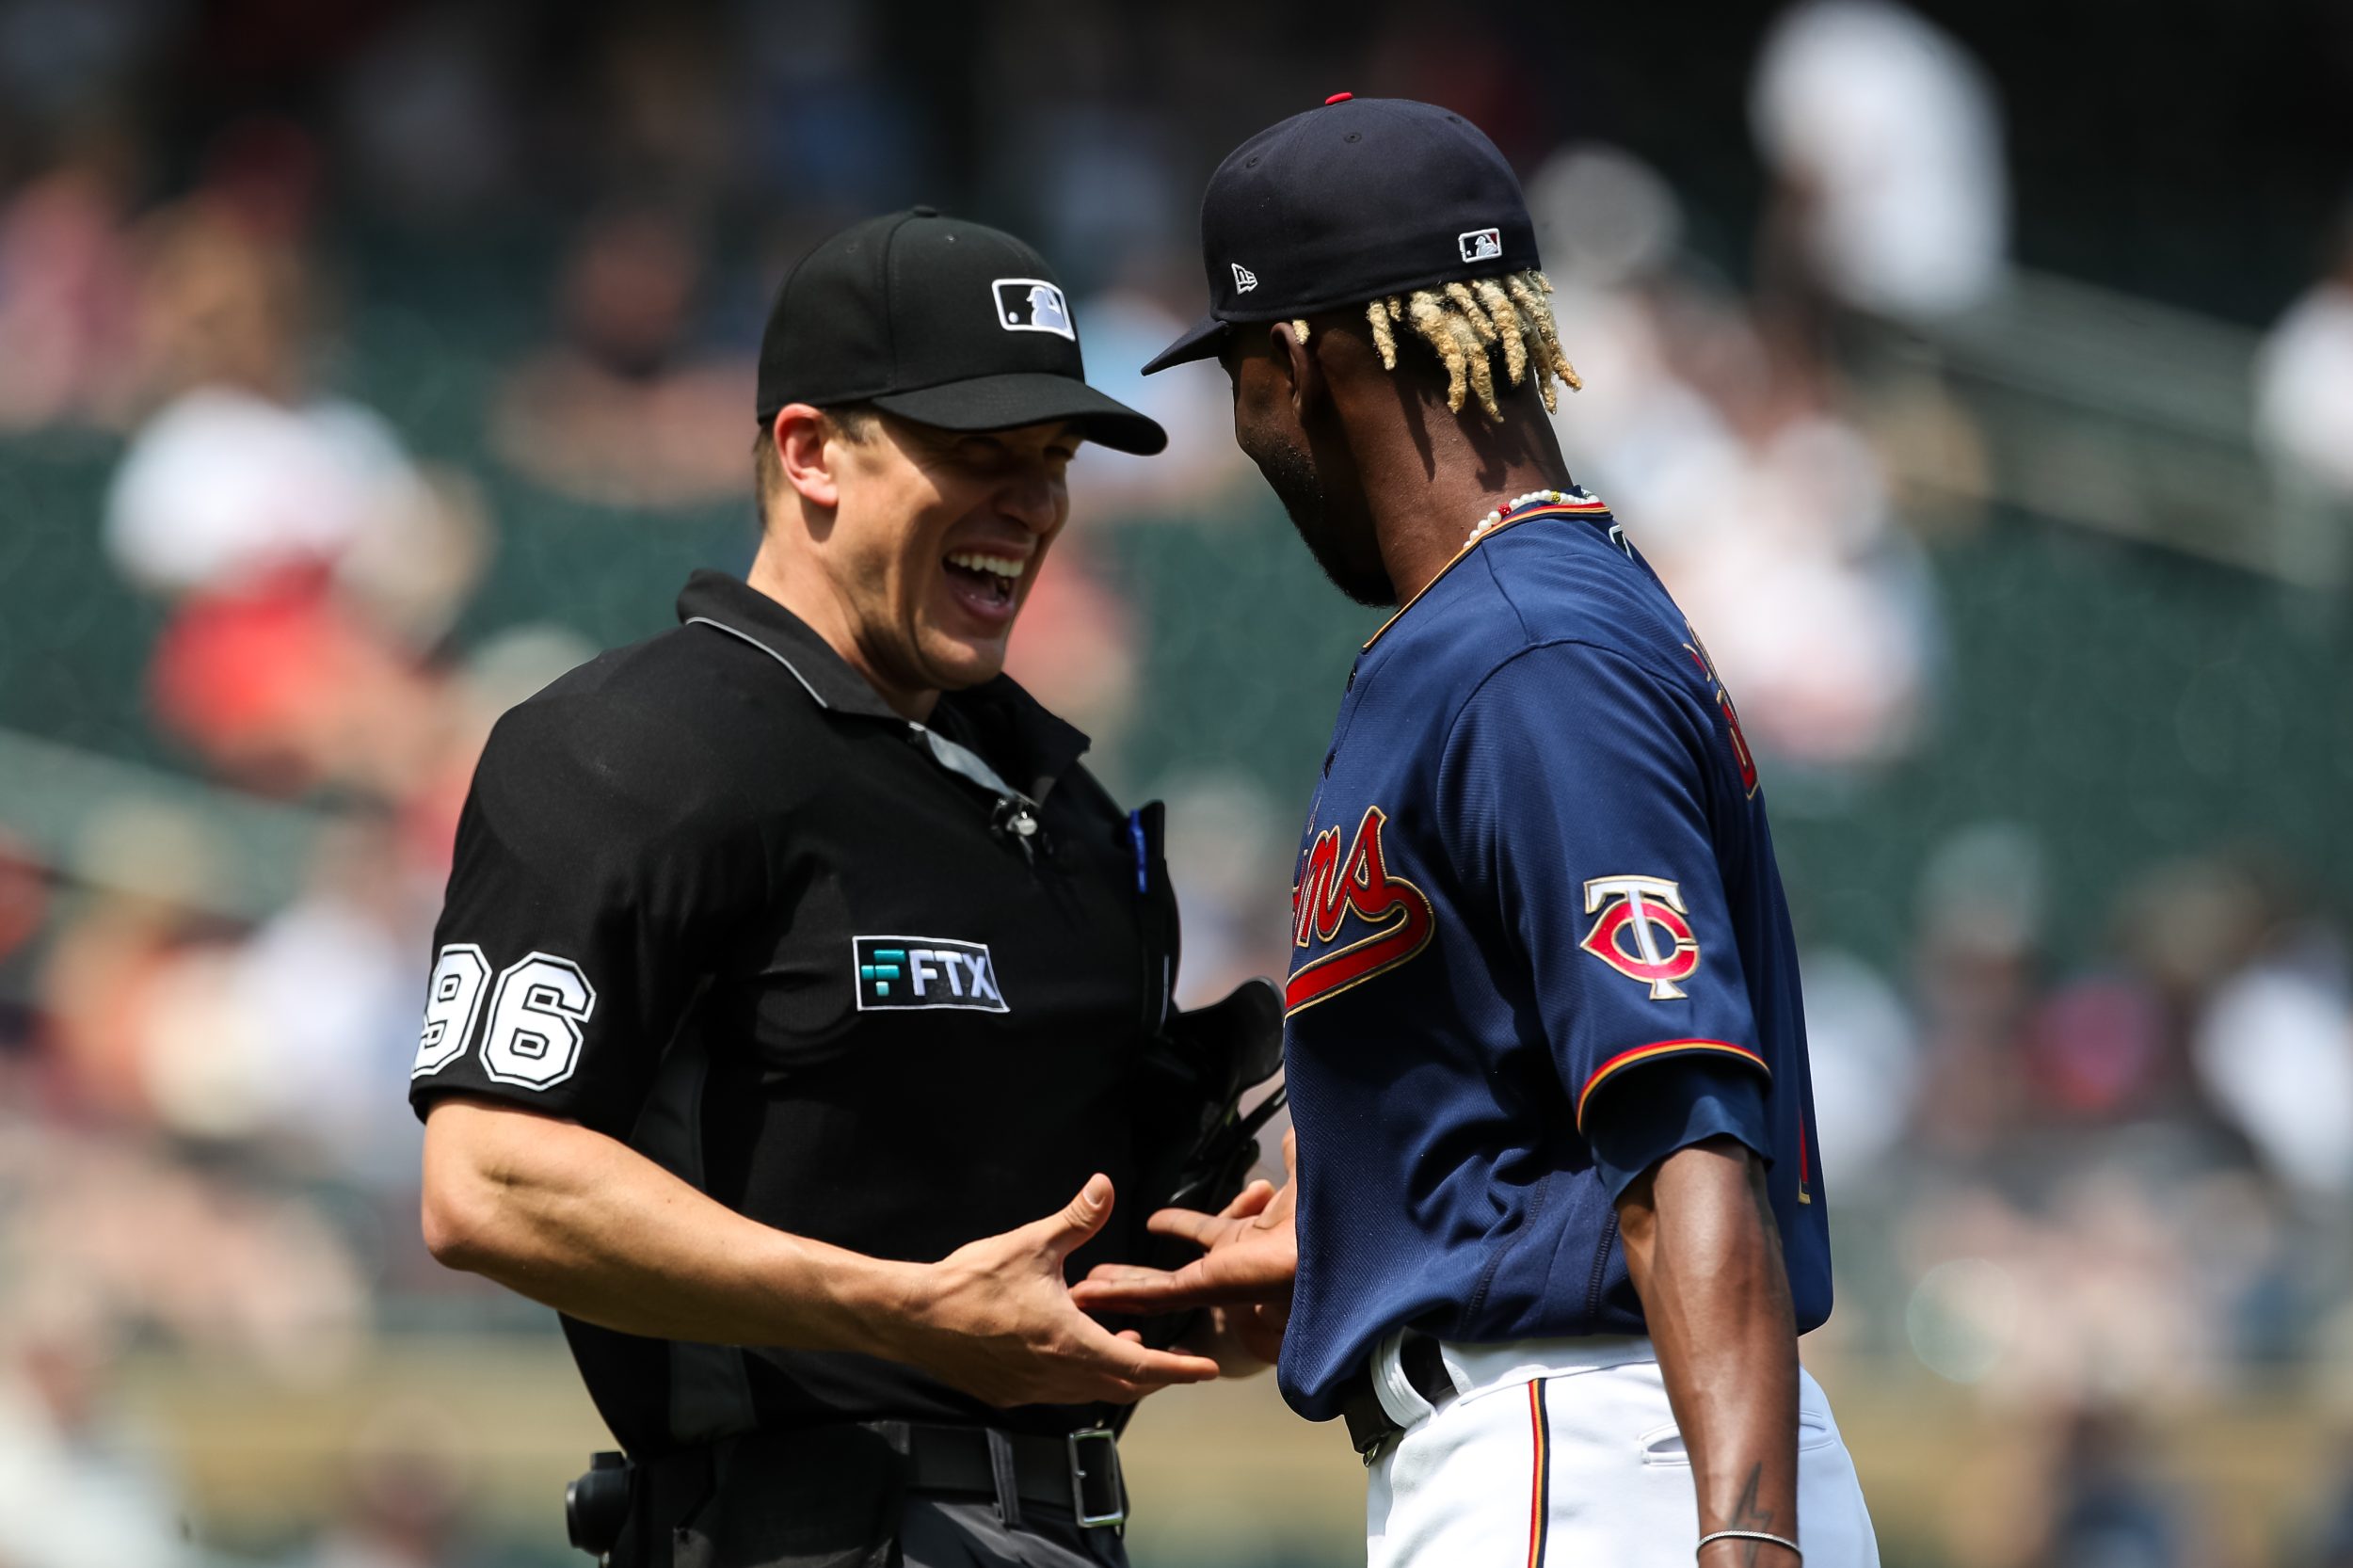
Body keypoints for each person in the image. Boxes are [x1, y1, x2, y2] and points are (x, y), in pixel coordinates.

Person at [1072, 98, 1881, 1566]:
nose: (1255, 432)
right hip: (1582, 1446)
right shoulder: (1522, 622)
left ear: (1306, 361)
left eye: (1247, 378)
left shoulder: (1528, 651)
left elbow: (1687, 1132)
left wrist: (1747, 1542)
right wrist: (1357, 1245)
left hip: (1601, 1462)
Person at [410, 208, 1258, 1568]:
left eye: (1052, 461)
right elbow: (490, 1178)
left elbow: (1028, 1266)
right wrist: (897, 1310)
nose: (1032, 503)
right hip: (786, 1534)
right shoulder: (641, 743)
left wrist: (1219, 1296)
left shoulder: (1068, 805)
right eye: (979, 453)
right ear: (809, 451)